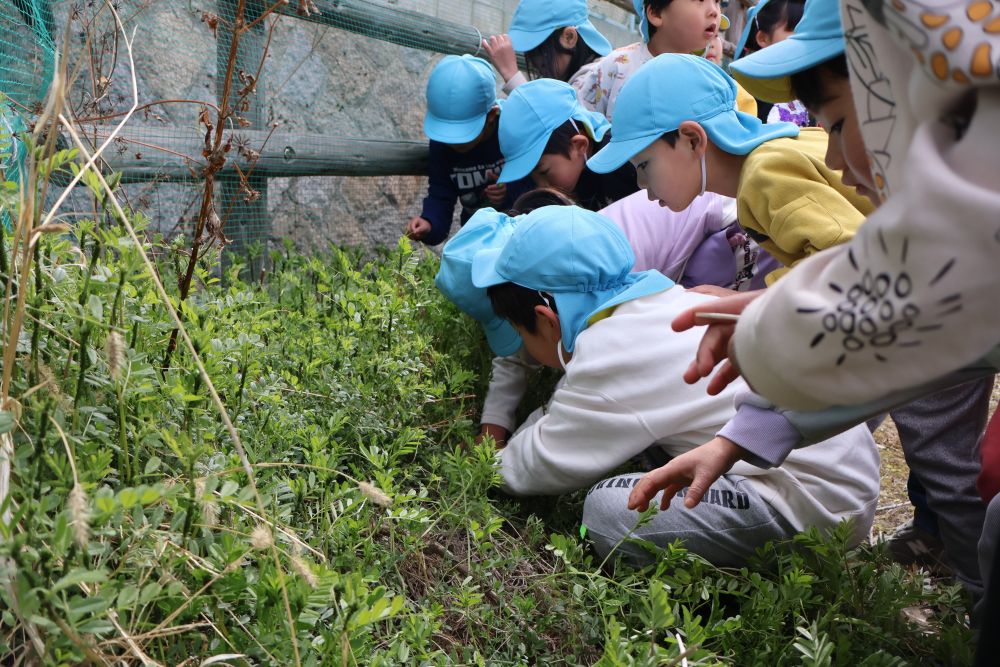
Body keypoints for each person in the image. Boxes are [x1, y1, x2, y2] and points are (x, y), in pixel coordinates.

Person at [629, 0, 995, 601]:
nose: (834, 160)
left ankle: (974, 585)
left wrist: (773, 312)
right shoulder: (959, 244)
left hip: (918, 342)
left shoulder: (765, 173)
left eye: (841, 126)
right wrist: (740, 433)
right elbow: (876, 314)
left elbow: (856, 267)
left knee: (951, 467)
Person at [464, 204, 880, 567]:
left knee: (609, 511)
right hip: (835, 469)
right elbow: (570, 414)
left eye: (521, 334)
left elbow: (537, 465)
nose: (523, 347)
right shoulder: (659, 304)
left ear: (546, 319)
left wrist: (485, 464)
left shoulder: (610, 353)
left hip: (810, 505)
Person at [588, 53, 873, 285]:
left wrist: (741, 304)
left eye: (644, 165)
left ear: (692, 139)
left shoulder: (764, 174)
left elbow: (848, 259)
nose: (642, 185)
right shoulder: (777, 153)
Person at [405, 55, 532, 245]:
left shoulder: (512, 129)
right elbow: (441, 193)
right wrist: (429, 223)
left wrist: (510, 191)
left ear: (492, 115)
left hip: (524, 232)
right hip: (478, 237)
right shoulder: (441, 144)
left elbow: (537, 179)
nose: (452, 143)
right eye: (446, 134)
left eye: (462, 134)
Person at [569, 0, 755, 121]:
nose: (714, 11)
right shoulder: (618, 65)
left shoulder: (714, 83)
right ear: (656, 14)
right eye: (699, 0)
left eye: (717, 2)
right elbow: (581, 121)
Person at [496, 78, 637, 211]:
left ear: (579, 145)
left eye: (544, 171)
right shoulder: (573, 171)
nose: (541, 186)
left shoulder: (625, 163)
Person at [481, 0, 612, 94]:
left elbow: (552, 122)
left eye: (538, 51)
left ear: (569, 37)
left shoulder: (596, 81)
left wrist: (511, 75)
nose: (534, 62)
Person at [731, 0, 811, 125]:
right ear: (763, 38)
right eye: (795, 29)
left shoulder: (813, 84)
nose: (803, 37)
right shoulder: (741, 87)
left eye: (807, 30)